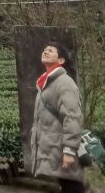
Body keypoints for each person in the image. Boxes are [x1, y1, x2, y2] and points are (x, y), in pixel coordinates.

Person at [31, 41, 85, 193]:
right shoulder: (45, 82)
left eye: (51, 50)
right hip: (53, 147)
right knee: (66, 184)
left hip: (62, 148)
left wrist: (69, 151)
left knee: (72, 185)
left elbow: (72, 117)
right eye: (45, 49)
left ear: (60, 60)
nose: (46, 51)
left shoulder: (64, 83)